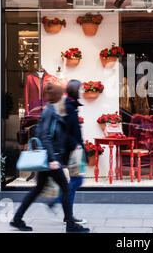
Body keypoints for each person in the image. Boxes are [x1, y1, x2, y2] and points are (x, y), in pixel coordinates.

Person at [9, 83, 89, 233]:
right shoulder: (50, 112)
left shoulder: (52, 110)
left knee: (37, 190)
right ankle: (70, 225)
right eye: (61, 95)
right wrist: (53, 159)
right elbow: (45, 136)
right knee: (65, 188)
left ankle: (17, 219)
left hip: (51, 157)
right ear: (58, 96)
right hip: (51, 158)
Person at [47, 80, 87, 223]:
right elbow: (66, 131)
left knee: (75, 181)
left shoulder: (71, 105)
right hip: (72, 151)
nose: (82, 91)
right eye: (81, 89)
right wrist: (76, 144)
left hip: (73, 150)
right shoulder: (69, 107)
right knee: (76, 181)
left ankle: (67, 214)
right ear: (75, 90)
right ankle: (59, 203)